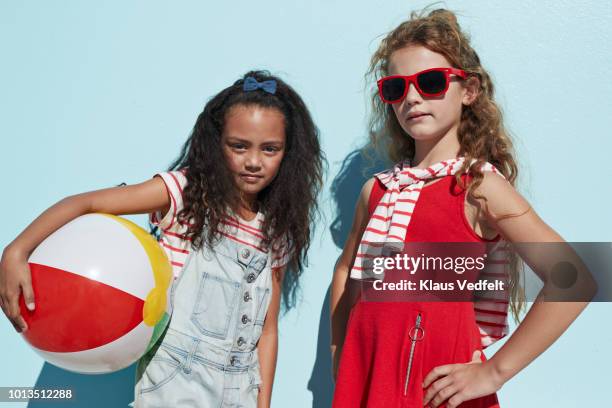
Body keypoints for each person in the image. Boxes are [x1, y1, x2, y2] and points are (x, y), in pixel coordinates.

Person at [0, 70, 324, 407]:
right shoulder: (185, 195)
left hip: (241, 390)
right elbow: (86, 203)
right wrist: (16, 251)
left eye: (270, 149)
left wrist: (263, 402)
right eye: (238, 146)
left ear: (289, 153)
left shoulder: (277, 229)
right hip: (175, 383)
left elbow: (267, 330)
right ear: (217, 143)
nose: (254, 161)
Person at [329, 9, 594, 408]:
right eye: (395, 88)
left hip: (435, 389)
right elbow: (347, 270)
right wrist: (340, 352)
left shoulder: (479, 187)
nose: (413, 97)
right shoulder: (378, 190)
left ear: (468, 90)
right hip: (369, 380)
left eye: (431, 82)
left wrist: (493, 372)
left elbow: (573, 279)